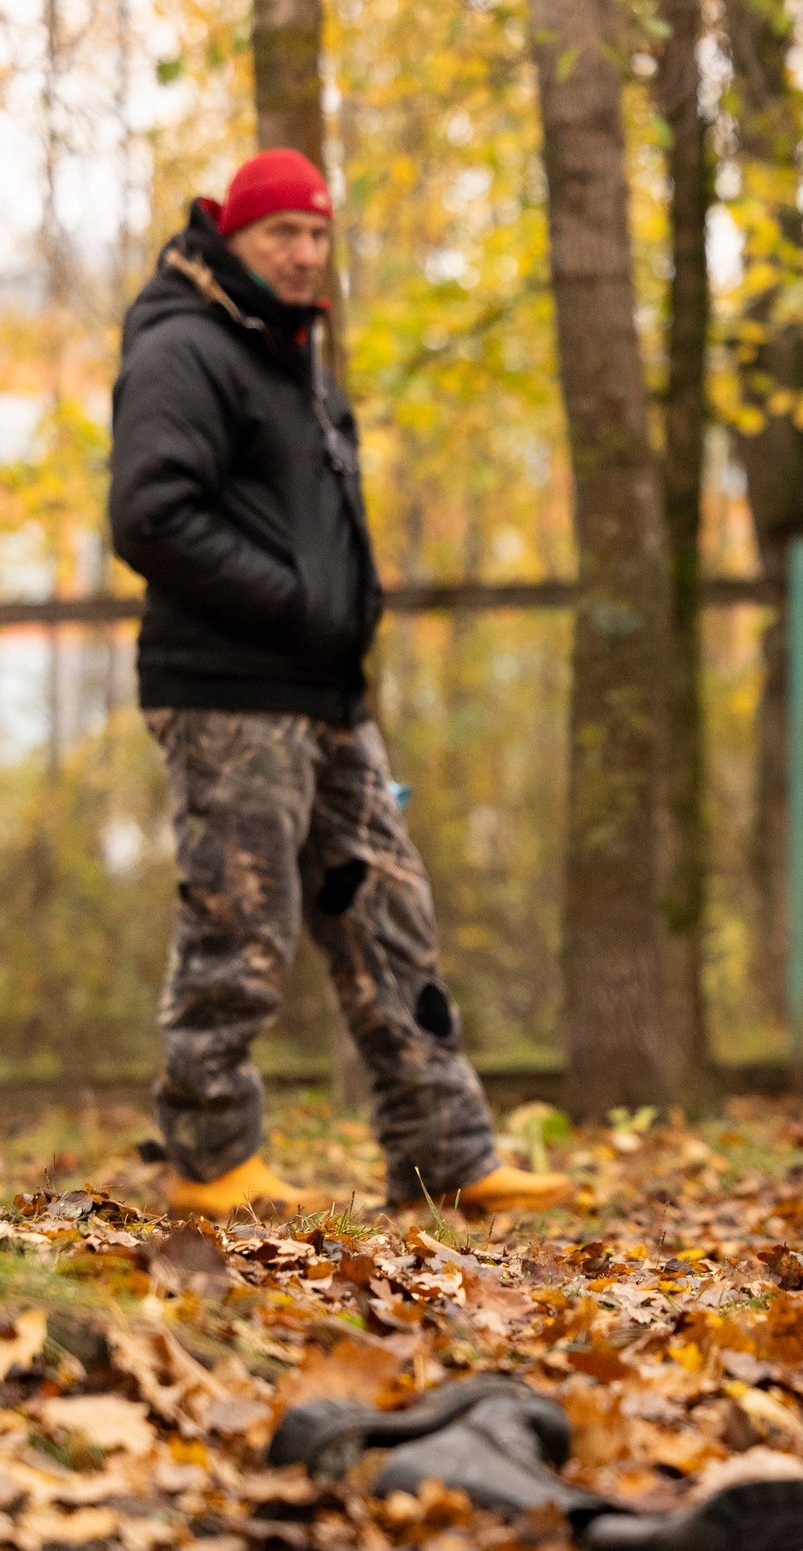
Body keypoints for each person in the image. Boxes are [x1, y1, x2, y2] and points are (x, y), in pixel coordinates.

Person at [108, 149, 567, 1219]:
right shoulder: (188, 346)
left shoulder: (288, 351)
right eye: (284, 234)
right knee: (242, 924)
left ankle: (444, 1153)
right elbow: (149, 515)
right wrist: (298, 602)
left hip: (323, 696)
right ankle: (212, 1158)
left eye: (318, 235)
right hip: (228, 693)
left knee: (390, 918)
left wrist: (334, 625)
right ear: (234, 235)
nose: (306, 254)